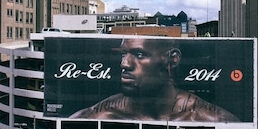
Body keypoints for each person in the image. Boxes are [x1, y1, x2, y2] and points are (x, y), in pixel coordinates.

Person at [70, 38, 239, 122]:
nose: (124, 64)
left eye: (139, 54)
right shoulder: (95, 116)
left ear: (172, 59)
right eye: (123, 54)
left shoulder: (212, 118)